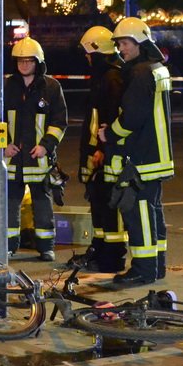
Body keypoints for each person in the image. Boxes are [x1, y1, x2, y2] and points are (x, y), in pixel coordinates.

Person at [99, 17, 174, 287]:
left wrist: (110, 134)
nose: (122, 48)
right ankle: (157, 266)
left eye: (126, 43)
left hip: (142, 158)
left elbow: (132, 117)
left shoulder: (140, 73)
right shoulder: (157, 68)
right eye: (119, 43)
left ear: (140, 42)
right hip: (156, 156)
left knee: (138, 212)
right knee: (153, 211)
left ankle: (142, 269)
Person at [3, 37, 68, 262]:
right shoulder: (7, 86)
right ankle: (9, 246)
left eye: (29, 60)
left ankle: (46, 247)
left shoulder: (51, 87)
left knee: (42, 207)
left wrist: (45, 146)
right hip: (12, 160)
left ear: (38, 62)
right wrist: (3, 146)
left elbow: (59, 122)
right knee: (10, 206)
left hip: (39, 160)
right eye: (20, 60)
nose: (24, 64)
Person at [72, 26, 127, 272]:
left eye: (87, 54)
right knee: (98, 204)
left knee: (108, 206)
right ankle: (100, 250)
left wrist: (103, 148)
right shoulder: (104, 77)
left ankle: (112, 257)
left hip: (104, 155)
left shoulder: (112, 79)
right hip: (97, 154)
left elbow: (111, 117)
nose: (85, 58)